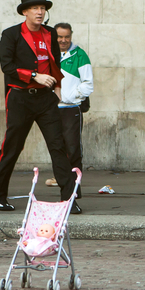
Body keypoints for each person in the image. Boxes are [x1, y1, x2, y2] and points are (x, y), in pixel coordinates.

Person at [0, 0, 80, 214]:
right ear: (24, 12)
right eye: (34, 8)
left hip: (45, 100)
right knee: (12, 146)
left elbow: (55, 64)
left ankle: (69, 199)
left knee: (59, 146)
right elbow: (6, 66)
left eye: (42, 8)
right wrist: (35, 76)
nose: (39, 12)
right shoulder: (11, 34)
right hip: (19, 97)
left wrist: (57, 87)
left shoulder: (49, 34)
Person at [43, 22, 93, 195]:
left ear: (71, 36)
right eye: (60, 37)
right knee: (57, 148)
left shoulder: (80, 55)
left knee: (72, 149)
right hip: (52, 109)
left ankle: (74, 190)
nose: (63, 40)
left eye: (67, 37)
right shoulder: (48, 53)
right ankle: (63, 183)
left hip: (71, 109)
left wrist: (72, 96)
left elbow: (88, 84)